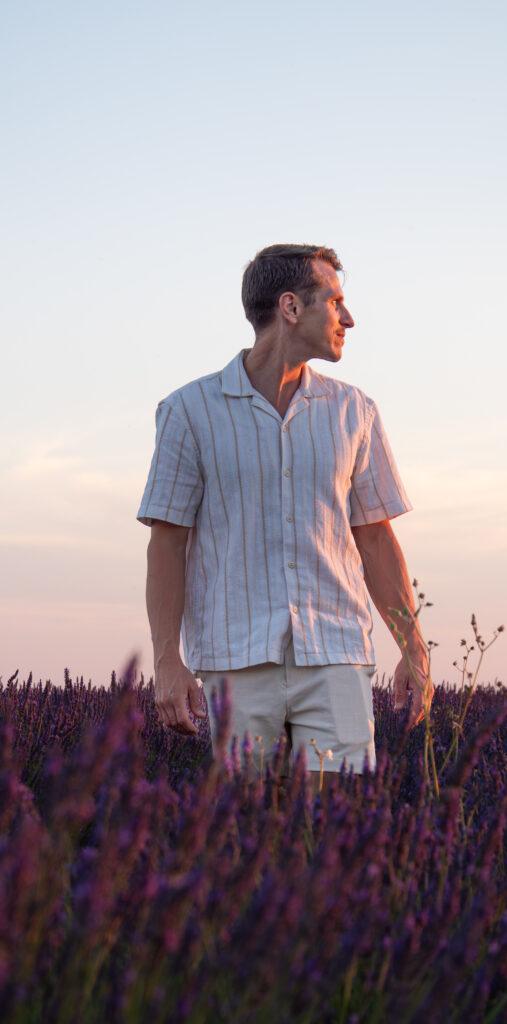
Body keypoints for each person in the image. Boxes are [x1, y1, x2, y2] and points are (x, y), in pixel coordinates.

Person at [138, 243, 430, 783]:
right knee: (246, 842)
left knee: (343, 837)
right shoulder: (188, 411)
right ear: (291, 307)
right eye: (335, 301)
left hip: (337, 656)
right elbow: (168, 542)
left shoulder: (355, 411)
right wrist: (166, 660)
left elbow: (375, 538)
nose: (349, 318)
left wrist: (412, 649)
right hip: (235, 661)